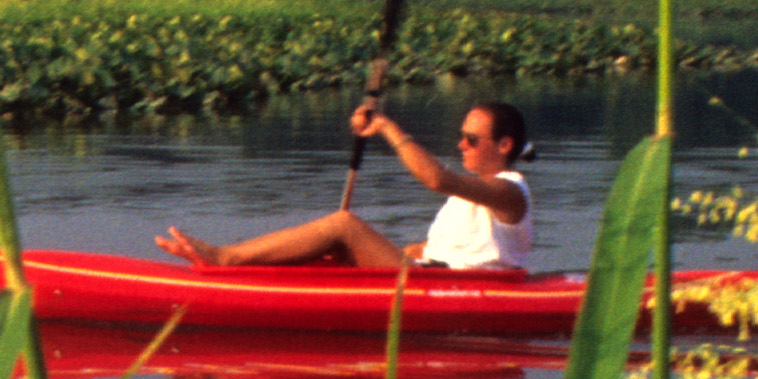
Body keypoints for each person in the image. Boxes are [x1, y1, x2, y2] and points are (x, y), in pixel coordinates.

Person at [157, 98, 536, 274]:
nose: (461, 145)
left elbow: (435, 179)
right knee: (338, 245)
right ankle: (244, 261)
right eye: (461, 136)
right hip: (431, 273)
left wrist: (386, 127)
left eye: (471, 139)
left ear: (503, 146)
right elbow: (444, 248)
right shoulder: (472, 194)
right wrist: (364, 254)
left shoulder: (510, 192)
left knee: (344, 223)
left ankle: (224, 258)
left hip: (451, 290)